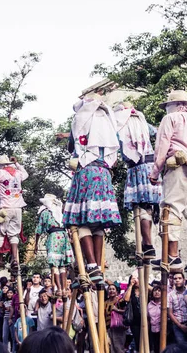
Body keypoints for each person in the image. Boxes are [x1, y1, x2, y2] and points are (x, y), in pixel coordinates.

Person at [60, 93, 122, 284]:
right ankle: (97, 268)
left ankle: (92, 265)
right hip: (103, 174)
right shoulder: (108, 119)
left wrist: (69, 138)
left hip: (86, 172)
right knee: (98, 221)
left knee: (82, 220)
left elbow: (73, 146)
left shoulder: (80, 118)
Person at [149, 90, 187, 272]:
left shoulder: (170, 119)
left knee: (172, 208)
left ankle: (173, 257)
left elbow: (162, 146)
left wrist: (155, 172)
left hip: (178, 165)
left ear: (172, 105)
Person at [113, 101, 162, 260]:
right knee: (147, 207)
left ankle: (147, 244)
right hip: (151, 166)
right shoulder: (141, 122)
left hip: (137, 167)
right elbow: (156, 132)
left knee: (142, 207)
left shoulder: (120, 125)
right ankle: (148, 243)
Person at [33, 194, 74, 297]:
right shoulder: (60, 212)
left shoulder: (45, 213)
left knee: (55, 265)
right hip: (63, 237)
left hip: (54, 237)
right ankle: (64, 289)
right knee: (62, 265)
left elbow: (39, 230)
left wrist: (36, 245)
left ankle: (60, 288)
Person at [168, 272, 187, 343]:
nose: (177, 280)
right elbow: (170, 313)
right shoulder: (170, 295)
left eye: (180, 278)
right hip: (178, 325)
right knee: (181, 347)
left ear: (184, 280)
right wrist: (180, 326)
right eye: (175, 279)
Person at [105, 283, 126, 353]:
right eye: (110, 289)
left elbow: (126, 311)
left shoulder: (120, 300)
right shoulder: (105, 302)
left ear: (117, 291)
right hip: (109, 328)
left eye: (113, 289)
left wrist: (116, 310)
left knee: (118, 347)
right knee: (111, 348)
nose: (111, 291)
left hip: (118, 328)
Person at [147, 286, 162, 353]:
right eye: (155, 291)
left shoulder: (165, 303)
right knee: (156, 348)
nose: (157, 292)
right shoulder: (149, 304)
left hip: (164, 330)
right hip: (153, 330)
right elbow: (148, 318)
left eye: (159, 291)